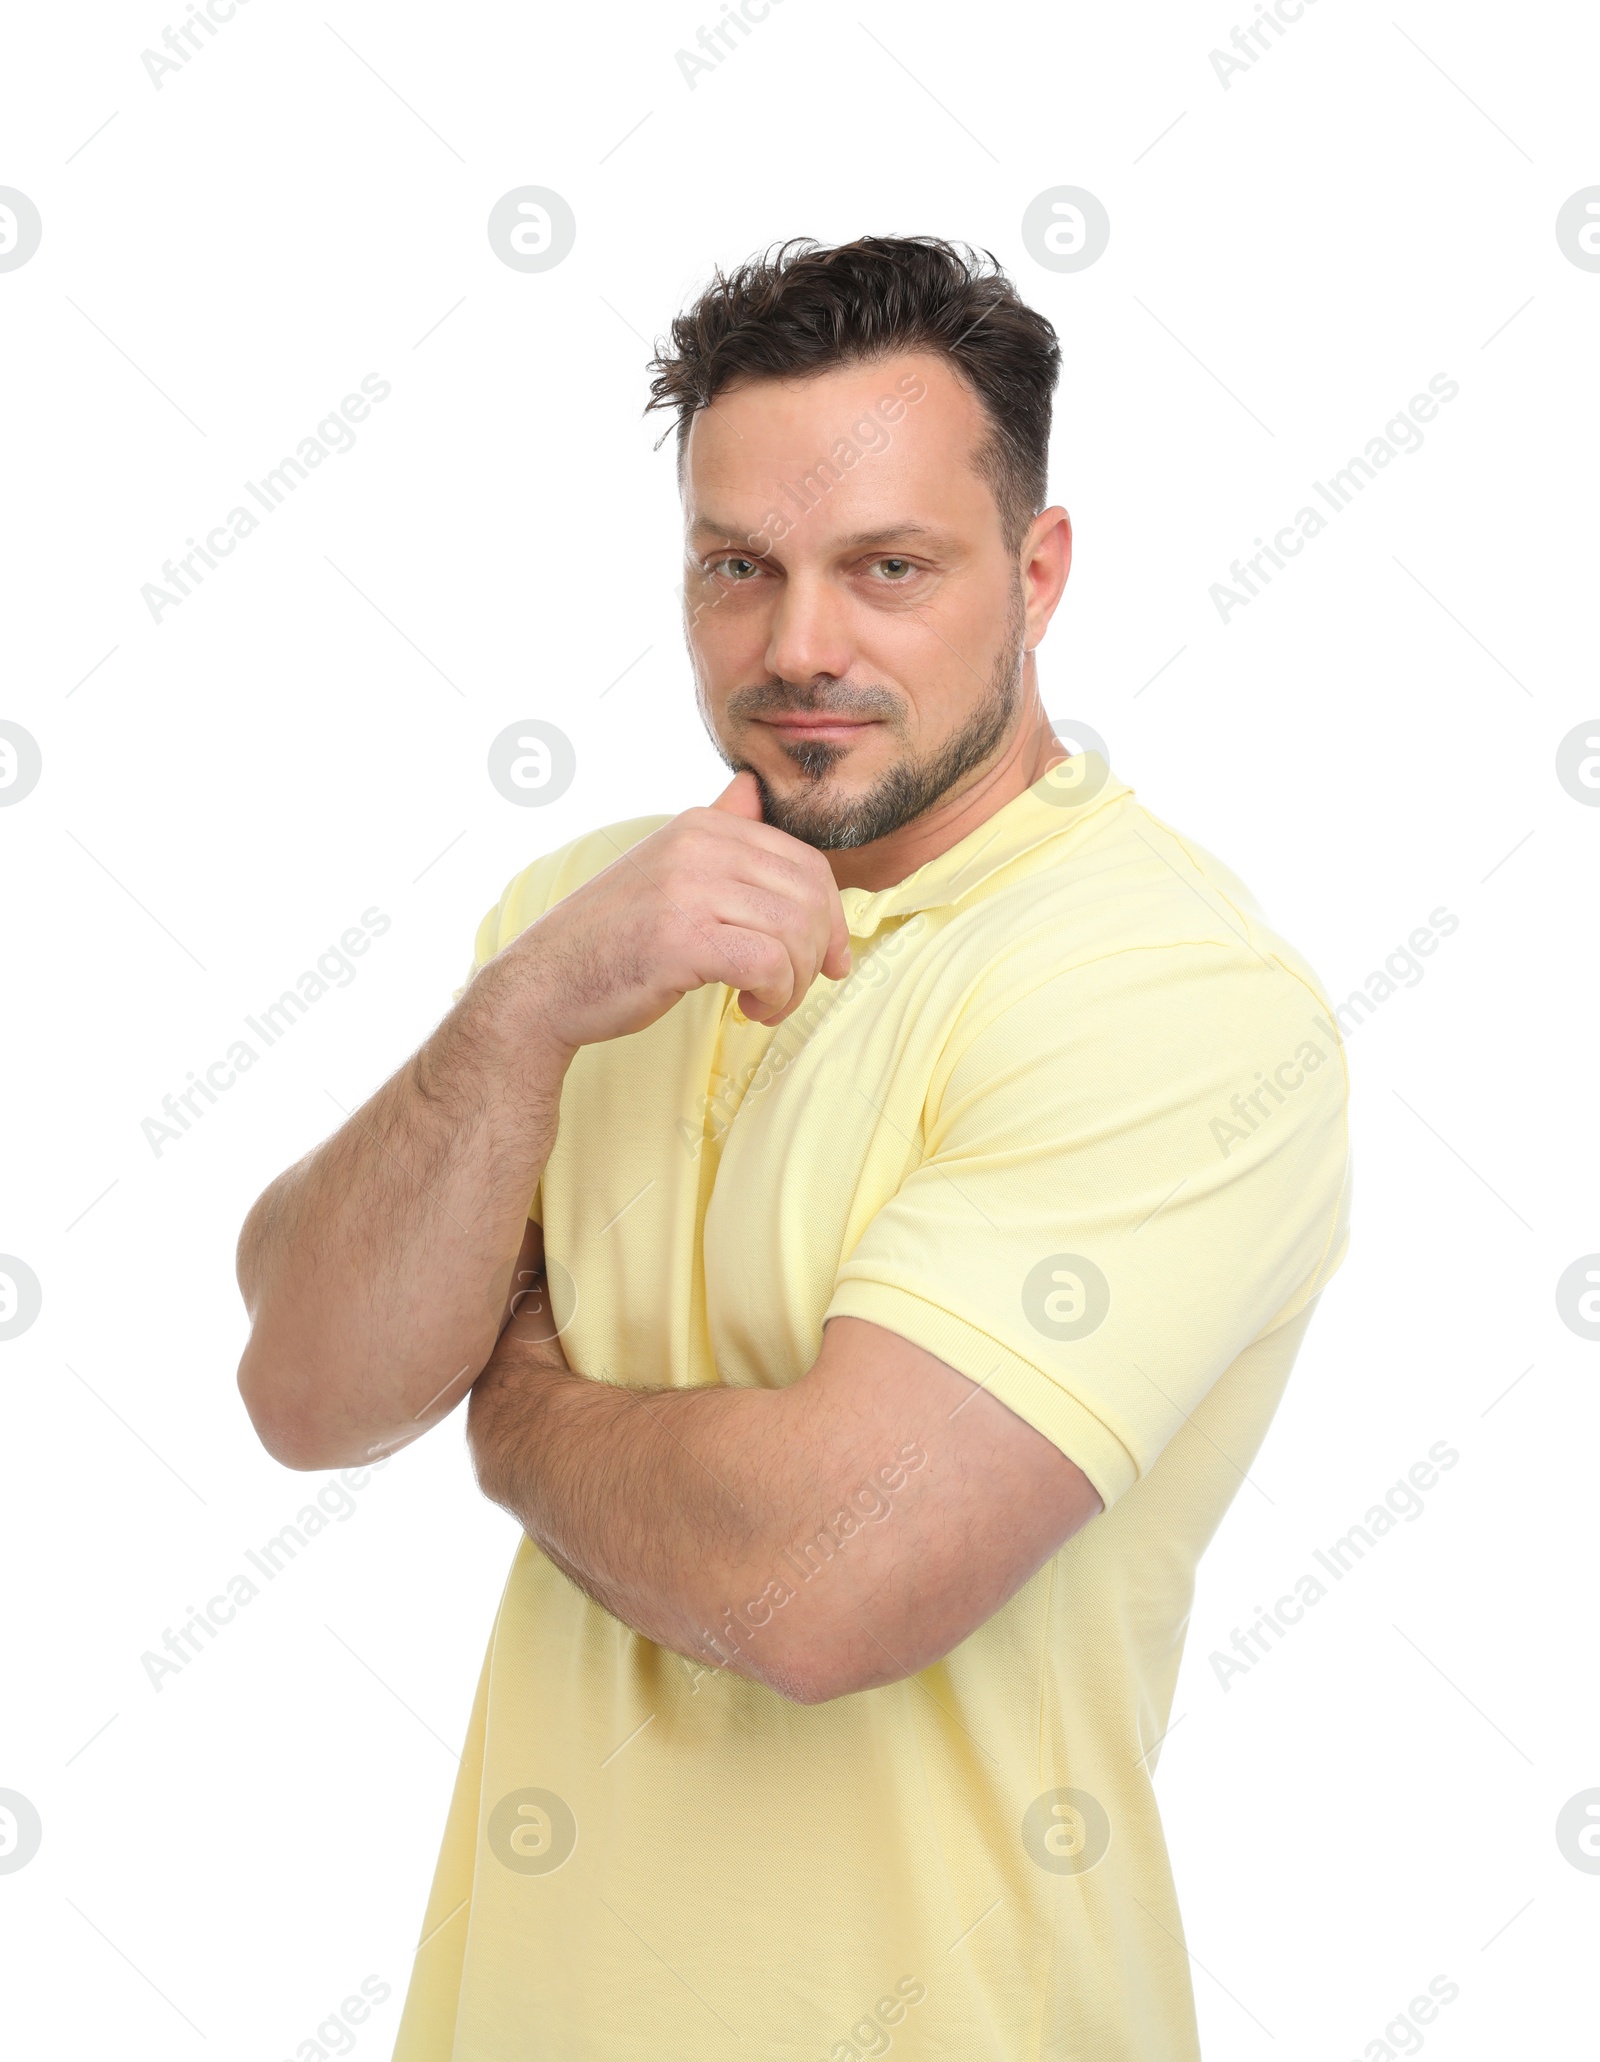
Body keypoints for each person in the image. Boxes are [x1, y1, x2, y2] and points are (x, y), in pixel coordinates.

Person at [234, 235, 1351, 2061]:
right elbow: (307, 1382)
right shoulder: (591, 915)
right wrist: (525, 1009)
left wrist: (506, 1400)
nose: (799, 645)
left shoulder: (1164, 991)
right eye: (736, 569)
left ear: (1040, 572)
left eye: (888, 568)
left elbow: (822, 1579)